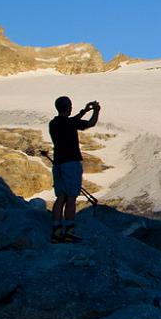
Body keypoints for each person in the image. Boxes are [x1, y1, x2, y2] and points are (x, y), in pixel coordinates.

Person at [48, 95, 100, 242]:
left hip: (58, 163)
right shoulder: (70, 124)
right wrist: (96, 110)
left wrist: (83, 111)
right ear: (69, 107)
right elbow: (91, 123)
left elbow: (71, 121)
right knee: (71, 197)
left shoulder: (54, 123)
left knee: (61, 197)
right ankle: (70, 230)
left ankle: (57, 231)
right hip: (71, 163)